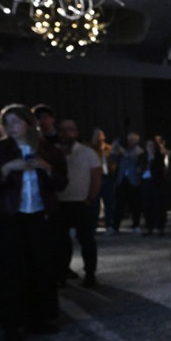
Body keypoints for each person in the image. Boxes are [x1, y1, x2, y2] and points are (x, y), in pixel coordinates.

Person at [0, 105, 68, 341]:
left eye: (16, 121)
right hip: (9, 217)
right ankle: (12, 325)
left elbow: (61, 183)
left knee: (40, 268)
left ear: (28, 123)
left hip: (39, 216)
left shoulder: (47, 150)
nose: (11, 127)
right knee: (11, 272)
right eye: (7, 122)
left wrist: (46, 168)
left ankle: (39, 319)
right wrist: (7, 168)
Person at [55, 119, 101, 286]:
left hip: (82, 203)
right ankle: (62, 273)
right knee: (61, 241)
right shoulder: (53, 152)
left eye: (70, 130)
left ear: (76, 132)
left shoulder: (88, 153)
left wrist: (90, 198)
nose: (66, 133)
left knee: (87, 240)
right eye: (62, 130)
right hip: (60, 203)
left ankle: (90, 273)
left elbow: (96, 177)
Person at [110, 132, 145, 233]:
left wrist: (121, 150)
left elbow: (131, 157)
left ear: (137, 141)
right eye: (129, 139)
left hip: (133, 181)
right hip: (122, 180)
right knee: (119, 204)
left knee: (135, 205)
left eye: (132, 140)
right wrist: (114, 148)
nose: (130, 142)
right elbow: (113, 158)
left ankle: (136, 225)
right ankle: (115, 226)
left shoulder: (139, 150)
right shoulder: (122, 150)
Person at [141, 136, 168, 235]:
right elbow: (140, 167)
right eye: (148, 146)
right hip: (146, 181)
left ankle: (160, 226)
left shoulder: (159, 157)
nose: (150, 148)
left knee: (158, 204)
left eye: (152, 146)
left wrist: (152, 160)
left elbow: (160, 170)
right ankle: (149, 226)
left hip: (156, 182)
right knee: (147, 204)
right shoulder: (143, 156)